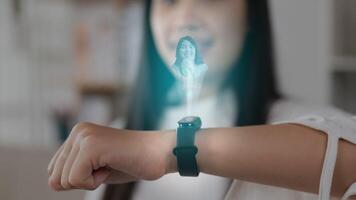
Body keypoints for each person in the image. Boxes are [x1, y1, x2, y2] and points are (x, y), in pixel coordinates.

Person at [47, 0, 356, 200]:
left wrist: (166, 150)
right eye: (168, 1)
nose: (185, 17)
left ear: (251, 14)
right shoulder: (115, 142)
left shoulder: (305, 128)